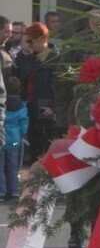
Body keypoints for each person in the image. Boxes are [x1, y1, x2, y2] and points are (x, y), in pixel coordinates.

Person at [56, 0, 100, 248]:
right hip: (81, 119)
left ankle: (99, 229)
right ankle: (76, 230)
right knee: (78, 176)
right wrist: (75, 106)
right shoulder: (77, 44)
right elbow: (61, 81)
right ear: (88, 12)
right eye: (98, 8)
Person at [15, 23, 57, 163]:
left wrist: (54, 107)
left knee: (49, 151)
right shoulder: (30, 59)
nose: (28, 45)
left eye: (30, 41)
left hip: (48, 113)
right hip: (32, 110)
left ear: (40, 39)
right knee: (35, 151)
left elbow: (62, 88)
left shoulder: (58, 60)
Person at [0, 76, 28, 201]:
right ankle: (14, 190)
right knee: (13, 165)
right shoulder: (21, 104)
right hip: (15, 138)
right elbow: (24, 123)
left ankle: (1, 190)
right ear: (19, 89)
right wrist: (23, 133)